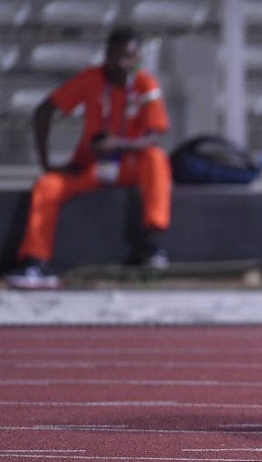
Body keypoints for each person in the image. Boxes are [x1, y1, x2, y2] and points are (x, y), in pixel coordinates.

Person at [4, 26, 172, 290]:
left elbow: (156, 135)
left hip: (129, 164)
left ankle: (152, 243)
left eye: (127, 57)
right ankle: (35, 261)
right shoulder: (92, 79)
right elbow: (44, 111)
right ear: (106, 54)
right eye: (115, 55)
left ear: (137, 59)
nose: (120, 63)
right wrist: (46, 161)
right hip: (91, 164)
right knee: (48, 184)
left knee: (156, 158)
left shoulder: (146, 84)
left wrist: (119, 143)